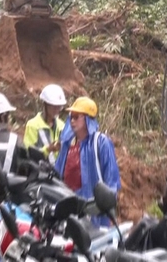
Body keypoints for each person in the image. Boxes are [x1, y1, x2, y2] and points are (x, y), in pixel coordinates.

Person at [54, 96, 121, 227]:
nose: (72, 121)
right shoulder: (67, 144)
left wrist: (105, 205)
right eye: (71, 117)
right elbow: (58, 173)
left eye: (76, 117)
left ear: (87, 119)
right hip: (70, 205)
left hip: (94, 210)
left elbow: (111, 180)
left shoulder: (101, 143)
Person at [24, 84, 67, 163]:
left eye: (59, 107)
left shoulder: (62, 126)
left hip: (58, 173)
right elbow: (28, 153)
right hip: (39, 171)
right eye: (54, 106)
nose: (57, 110)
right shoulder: (33, 125)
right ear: (45, 104)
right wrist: (47, 149)